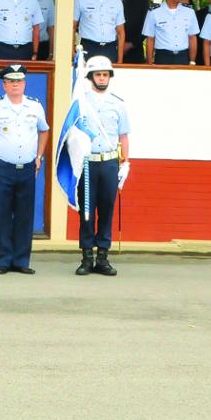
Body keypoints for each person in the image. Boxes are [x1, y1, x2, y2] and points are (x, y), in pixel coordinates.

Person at [0, 63, 50, 274]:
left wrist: (39, 157)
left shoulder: (35, 106)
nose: (15, 85)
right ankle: (3, 261)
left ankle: (21, 261)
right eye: (11, 81)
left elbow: (44, 130)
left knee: (25, 215)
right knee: (2, 215)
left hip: (27, 168)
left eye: (19, 81)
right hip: (3, 168)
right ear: (4, 85)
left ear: (25, 84)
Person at [71, 56, 130, 277]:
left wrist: (126, 162)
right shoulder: (81, 102)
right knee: (86, 211)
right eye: (98, 74)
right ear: (90, 77)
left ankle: (103, 257)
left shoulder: (118, 104)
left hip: (109, 163)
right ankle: (86, 256)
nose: (102, 78)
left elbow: (123, 136)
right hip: (87, 163)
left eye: (105, 74)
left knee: (106, 210)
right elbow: (73, 133)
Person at [142, 0, 200, 65]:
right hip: (163, 57)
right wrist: (149, 62)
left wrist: (192, 61)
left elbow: (192, 38)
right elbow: (150, 39)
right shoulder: (154, 12)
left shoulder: (189, 12)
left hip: (183, 57)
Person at [114, 0, 150, 65]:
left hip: (135, 52)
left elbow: (146, 26)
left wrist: (131, 44)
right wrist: (118, 44)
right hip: (111, 50)